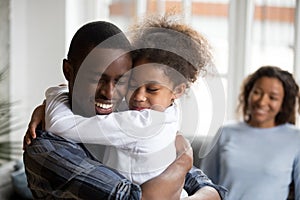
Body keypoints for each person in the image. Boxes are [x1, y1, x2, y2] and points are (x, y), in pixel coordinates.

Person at [23, 19, 226, 199]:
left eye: (122, 81)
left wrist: (52, 99)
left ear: (177, 91)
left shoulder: (134, 118)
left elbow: (210, 189)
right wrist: (184, 161)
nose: (110, 93)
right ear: (68, 71)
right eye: (97, 79)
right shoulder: (47, 148)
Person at [200, 66, 300, 200]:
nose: (262, 101)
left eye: (273, 97)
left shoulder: (295, 138)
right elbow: (204, 185)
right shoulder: (225, 132)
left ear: (283, 104)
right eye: (257, 92)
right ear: (248, 94)